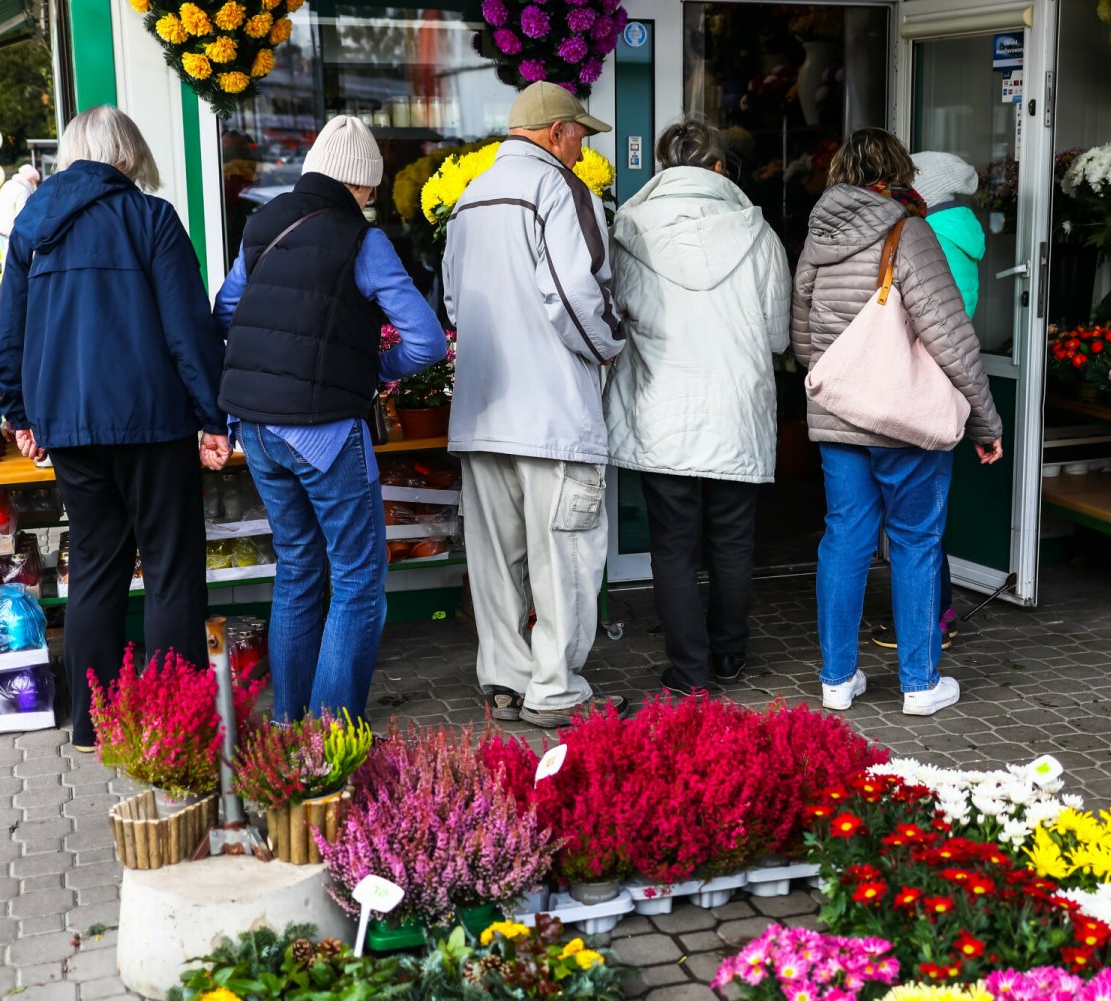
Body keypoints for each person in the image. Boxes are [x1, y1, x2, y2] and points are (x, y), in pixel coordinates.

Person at [0, 106, 228, 750]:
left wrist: (18, 413)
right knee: (172, 567)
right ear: (127, 157)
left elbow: (6, 336)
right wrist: (212, 415)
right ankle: (173, 723)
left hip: (68, 427)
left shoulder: (31, 229)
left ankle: (96, 724)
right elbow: (189, 331)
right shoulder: (151, 219)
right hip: (153, 424)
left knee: (95, 567)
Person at [214, 115, 445, 722]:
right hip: (322, 432)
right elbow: (426, 342)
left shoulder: (263, 224)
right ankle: (328, 739)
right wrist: (373, 369)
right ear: (364, 186)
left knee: (296, 567)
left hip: (256, 430)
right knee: (358, 580)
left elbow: (226, 309)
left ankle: (290, 724)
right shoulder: (363, 242)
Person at [791, 127, 1003, 717]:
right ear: (896, 174)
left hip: (838, 419)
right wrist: (985, 419)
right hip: (906, 422)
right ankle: (917, 683)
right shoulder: (909, 233)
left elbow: (803, 339)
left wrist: (845, 387)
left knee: (845, 540)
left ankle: (837, 680)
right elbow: (950, 336)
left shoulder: (817, 237)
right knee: (913, 542)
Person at [442, 81, 628, 728]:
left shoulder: (468, 199)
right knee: (565, 557)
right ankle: (555, 688)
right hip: (551, 412)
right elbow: (576, 292)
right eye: (579, 134)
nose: (582, 148)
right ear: (555, 132)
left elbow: (455, 307)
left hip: (481, 412)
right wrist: (610, 346)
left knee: (495, 562)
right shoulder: (559, 189)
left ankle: (505, 679)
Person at [604, 116, 790, 696]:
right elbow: (779, 337)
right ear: (718, 167)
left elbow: (614, 317)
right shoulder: (758, 234)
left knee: (673, 546)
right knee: (733, 541)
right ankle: (730, 657)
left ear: (663, 168)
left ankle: (688, 671)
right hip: (735, 405)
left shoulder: (628, 229)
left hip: (663, 407)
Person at [871, 150, 986, 655]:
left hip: (921, 385)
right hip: (942, 381)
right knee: (922, 517)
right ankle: (937, 614)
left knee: (913, 522)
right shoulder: (959, 235)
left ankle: (925, 622)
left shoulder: (929, 238)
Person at [0, 164, 41, 269]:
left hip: (0, 228)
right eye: (35, 182)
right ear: (31, 180)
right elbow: (22, 216)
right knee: (12, 263)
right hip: (11, 231)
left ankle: (3, 283)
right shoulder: (23, 191)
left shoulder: (8, 184)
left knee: (5, 259)